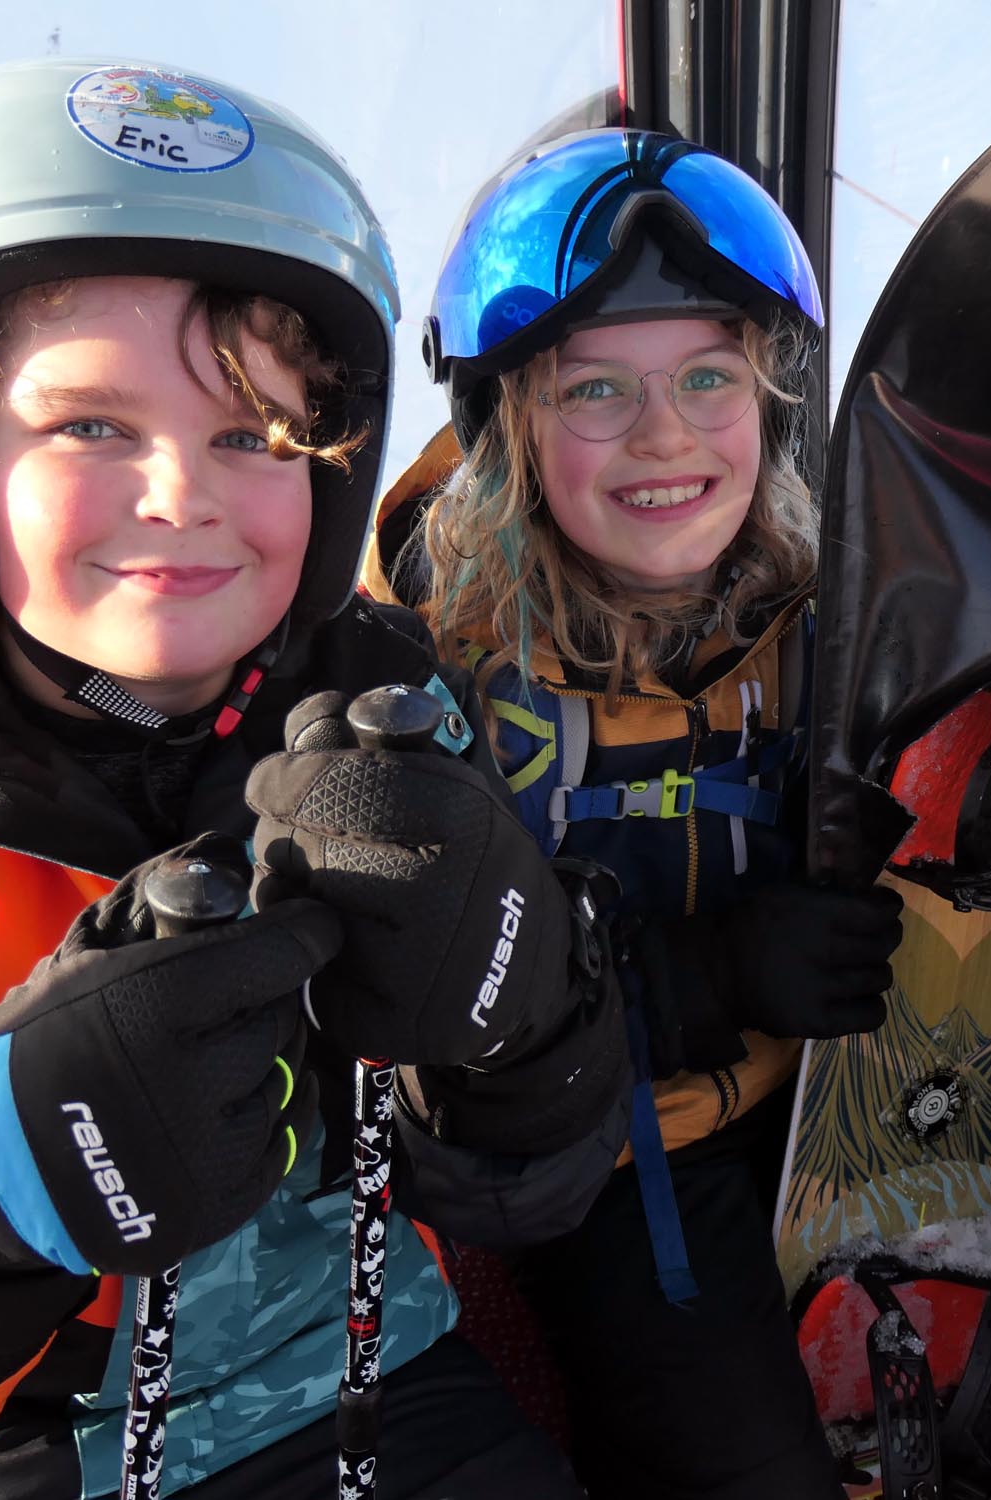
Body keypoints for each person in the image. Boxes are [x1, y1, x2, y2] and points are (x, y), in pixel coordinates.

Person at [0, 59, 629, 1499]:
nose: (181, 495)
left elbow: (532, 1187)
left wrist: (524, 1019)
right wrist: (8, 1197)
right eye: (90, 425)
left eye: (253, 437)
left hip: (373, 1381)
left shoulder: (383, 714)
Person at [367, 127, 908, 1499]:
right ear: (508, 424)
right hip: (598, 1167)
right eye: (597, 389)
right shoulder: (422, 679)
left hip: (812, 1107)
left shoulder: (818, 614)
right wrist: (707, 977)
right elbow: (429, 1042)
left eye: (709, 377)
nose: (667, 436)